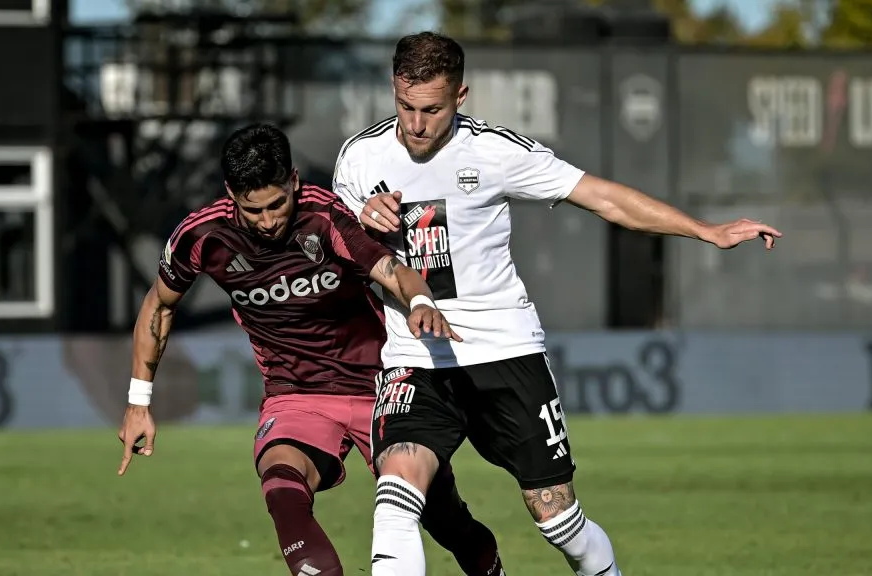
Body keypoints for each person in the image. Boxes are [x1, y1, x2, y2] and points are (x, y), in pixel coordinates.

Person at [332, 31, 783, 576]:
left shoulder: (495, 152)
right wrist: (359, 220)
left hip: (504, 349)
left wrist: (706, 231)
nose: (417, 124)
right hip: (417, 357)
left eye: (432, 109)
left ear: (461, 96)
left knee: (557, 519)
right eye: (406, 106)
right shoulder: (359, 159)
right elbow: (337, 251)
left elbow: (603, 198)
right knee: (397, 493)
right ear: (393, 90)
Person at [117, 123, 507, 576]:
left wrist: (420, 302)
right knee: (281, 483)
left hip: (382, 387)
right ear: (231, 194)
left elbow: (391, 270)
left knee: (445, 520)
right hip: (295, 393)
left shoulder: (326, 218)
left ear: (295, 182)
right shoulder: (203, 237)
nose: (267, 222)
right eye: (253, 210)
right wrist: (138, 401)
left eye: (277, 204)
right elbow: (158, 308)